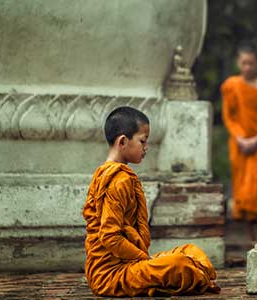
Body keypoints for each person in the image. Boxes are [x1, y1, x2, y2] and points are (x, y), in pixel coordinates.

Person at [82, 106, 220, 297]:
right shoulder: (116, 180)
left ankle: (196, 272)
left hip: (131, 264)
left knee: (191, 251)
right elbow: (110, 237)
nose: (146, 148)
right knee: (179, 264)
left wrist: (143, 260)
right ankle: (197, 274)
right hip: (111, 275)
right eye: (143, 141)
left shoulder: (114, 175)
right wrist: (143, 259)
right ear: (123, 141)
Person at [220, 44, 257, 242]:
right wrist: (241, 139)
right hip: (240, 145)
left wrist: (255, 140)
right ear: (238, 63)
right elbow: (229, 116)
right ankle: (251, 239)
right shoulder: (231, 85)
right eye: (244, 63)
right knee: (243, 192)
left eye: (251, 63)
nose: (247, 68)